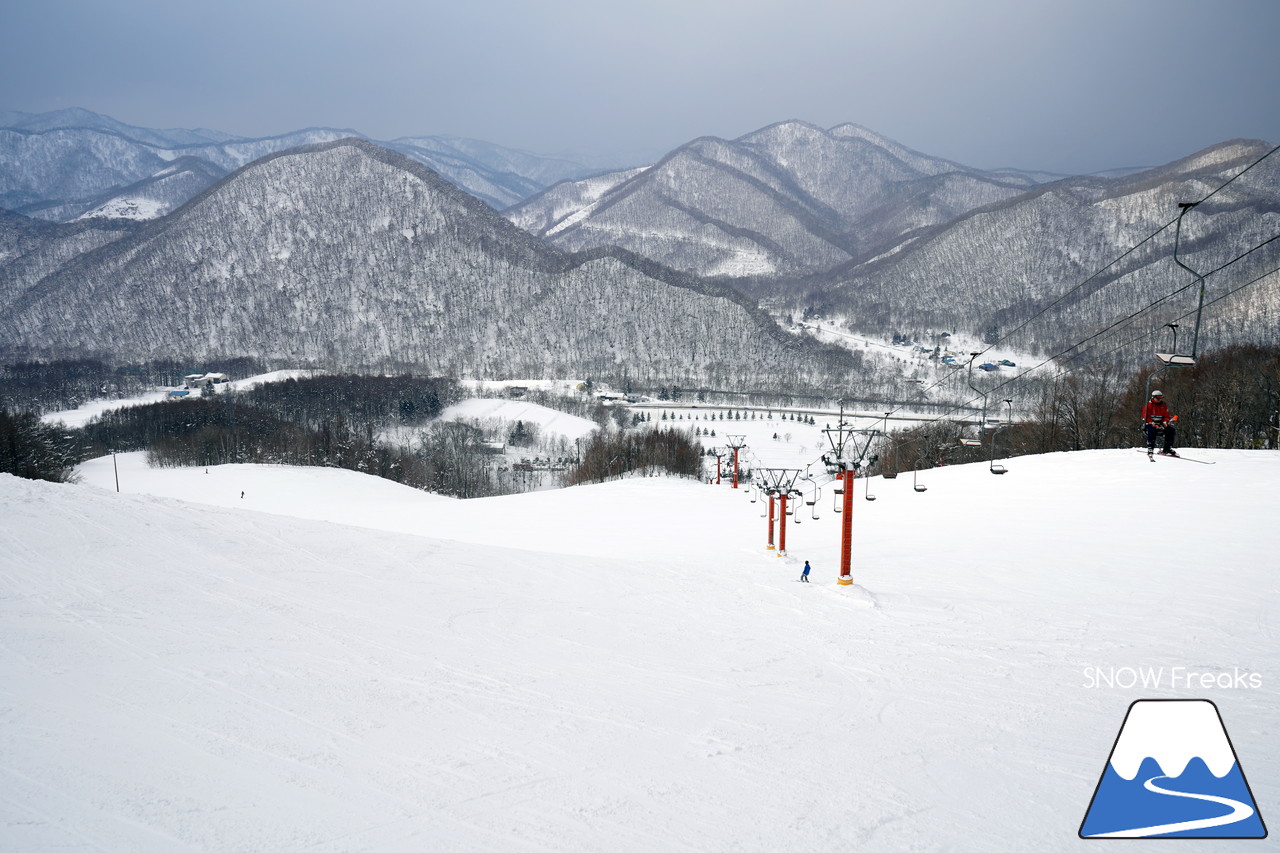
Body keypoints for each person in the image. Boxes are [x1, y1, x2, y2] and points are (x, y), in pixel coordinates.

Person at [1141, 390, 1178, 456]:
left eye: (1160, 398)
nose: (1159, 399)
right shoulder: (1148, 406)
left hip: (1160, 424)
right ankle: (1150, 448)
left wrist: (1165, 421)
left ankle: (1167, 449)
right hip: (1150, 424)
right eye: (1157, 398)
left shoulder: (1163, 406)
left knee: (1171, 430)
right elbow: (1145, 417)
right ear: (1153, 397)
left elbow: (1166, 416)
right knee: (1152, 430)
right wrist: (1151, 422)